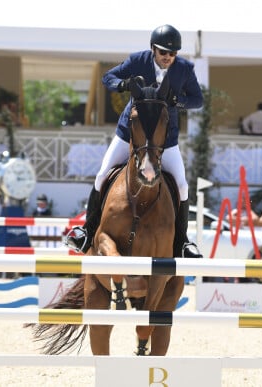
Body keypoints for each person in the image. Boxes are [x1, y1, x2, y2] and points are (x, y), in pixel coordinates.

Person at [65, 24, 204, 258]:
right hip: (130, 136)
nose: (167, 58)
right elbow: (108, 77)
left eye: (172, 54)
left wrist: (177, 101)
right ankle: (86, 232)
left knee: (181, 185)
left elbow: (197, 100)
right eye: (163, 53)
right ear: (153, 49)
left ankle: (182, 242)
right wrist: (122, 85)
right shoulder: (137, 61)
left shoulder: (184, 69)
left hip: (164, 140)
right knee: (103, 174)